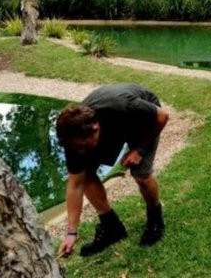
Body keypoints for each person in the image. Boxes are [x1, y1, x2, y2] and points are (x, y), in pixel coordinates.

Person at [56, 84, 170, 257]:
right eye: (77, 148)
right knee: (85, 175)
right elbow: (75, 184)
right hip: (114, 126)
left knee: (141, 175)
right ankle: (112, 228)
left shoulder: (123, 106)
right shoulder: (74, 139)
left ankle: (155, 218)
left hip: (143, 121)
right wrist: (71, 232)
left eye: (83, 146)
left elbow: (162, 116)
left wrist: (139, 149)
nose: (80, 151)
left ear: (96, 129)